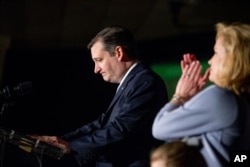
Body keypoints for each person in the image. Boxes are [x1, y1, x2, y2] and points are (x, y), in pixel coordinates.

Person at [31, 25, 169, 167]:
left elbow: (121, 129)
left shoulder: (144, 81)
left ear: (119, 52)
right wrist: (60, 140)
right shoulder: (132, 82)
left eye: (99, 60)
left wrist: (71, 146)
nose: (96, 69)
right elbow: (101, 123)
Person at [152, 22, 250, 167]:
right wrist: (194, 100)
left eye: (216, 52)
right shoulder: (241, 98)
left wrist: (181, 96)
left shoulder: (221, 97)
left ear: (232, 59)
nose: (210, 60)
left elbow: (159, 129)